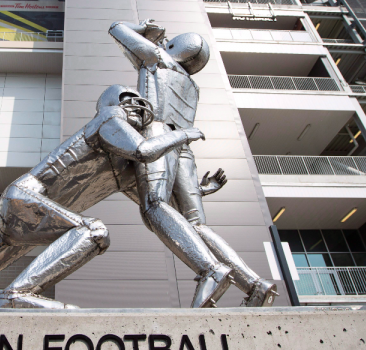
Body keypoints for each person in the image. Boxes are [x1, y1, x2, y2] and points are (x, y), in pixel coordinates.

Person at [0, 85, 204, 308]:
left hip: (31, 214)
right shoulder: (110, 119)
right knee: (92, 231)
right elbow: (145, 150)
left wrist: (197, 192)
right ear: (115, 102)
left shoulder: (123, 167)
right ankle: (17, 295)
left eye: (141, 105)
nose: (138, 108)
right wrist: (183, 135)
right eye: (131, 101)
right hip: (25, 201)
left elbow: (156, 202)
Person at [109, 19, 278, 307]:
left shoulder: (159, 60)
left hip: (158, 134)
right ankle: (254, 284)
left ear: (175, 49)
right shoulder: (191, 84)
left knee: (154, 206)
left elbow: (116, 29)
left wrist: (144, 29)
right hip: (185, 150)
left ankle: (211, 272)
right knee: (197, 225)